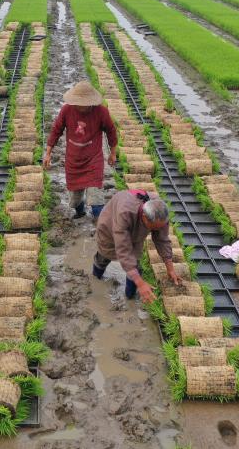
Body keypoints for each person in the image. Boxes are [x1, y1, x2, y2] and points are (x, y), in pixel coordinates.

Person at [43, 81, 118, 218]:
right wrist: (48, 153)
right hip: (74, 159)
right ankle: (80, 212)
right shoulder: (67, 110)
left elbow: (111, 131)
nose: (81, 107)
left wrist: (113, 153)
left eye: (84, 104)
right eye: (78, 103)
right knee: (75, 196)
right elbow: (56, 130)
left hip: (93, 158)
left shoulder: (101, 112)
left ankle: (100, 223)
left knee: (95, 195)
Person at [93, 190, 180, 303]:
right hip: (110, 228)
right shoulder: (125, 213)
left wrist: (170, 268)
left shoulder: (160, 213)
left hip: (136, 231)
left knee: (135, 263)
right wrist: (141, 283)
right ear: (144, 216)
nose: (156, 230)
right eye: (153, 228)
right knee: (104, 256)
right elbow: (123, 250)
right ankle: (96, 278)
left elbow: (162, 239)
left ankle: (130, 298)